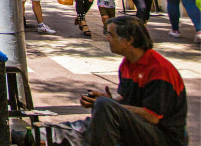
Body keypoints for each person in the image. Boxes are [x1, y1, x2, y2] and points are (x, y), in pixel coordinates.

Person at [78, 16, 186, 146]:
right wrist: (107, 101)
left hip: (165, 137)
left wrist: (110, 106)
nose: (107, 38)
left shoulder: (159, 69)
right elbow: (126, 100)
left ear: (128, 40)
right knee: (86, 125)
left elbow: (152, 116)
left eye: (110, 35)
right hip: (143, 129)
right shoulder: (127, 64)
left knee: (103, 110)